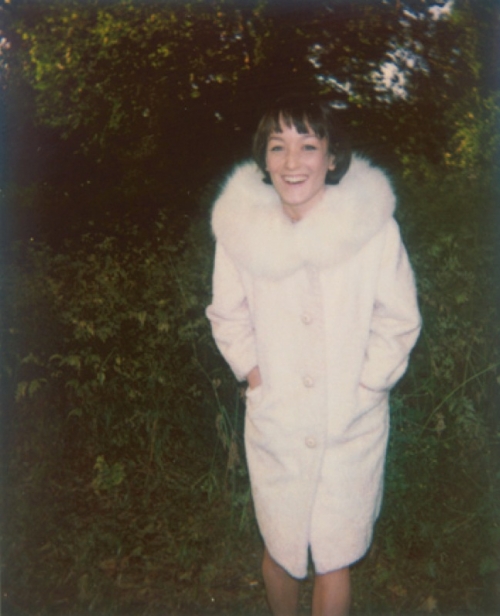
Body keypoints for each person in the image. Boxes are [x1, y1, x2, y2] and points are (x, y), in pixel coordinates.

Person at [206, 97, 421, 616]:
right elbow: (227, 315)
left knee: (334, 559)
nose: (292, 162)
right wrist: (257, 377)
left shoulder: (371, 228)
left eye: (308, 146)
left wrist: (366, 388)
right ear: (263, 159)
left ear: (331, 156)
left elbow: (399, 320)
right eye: (277, 147)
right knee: (280, 552)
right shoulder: (239, 230)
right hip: (277, 421)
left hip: (350, 425)